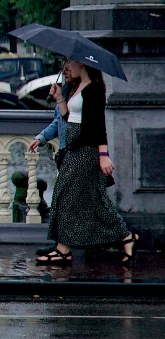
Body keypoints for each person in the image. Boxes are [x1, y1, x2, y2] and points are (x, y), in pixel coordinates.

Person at [32, 59, 137, 265]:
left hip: (85, 151)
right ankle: (65, 248)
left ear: (83, 64)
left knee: (77, 197)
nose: (67, 67)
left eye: (70, 63)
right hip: (74, 149)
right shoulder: (77, 87)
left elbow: (98, 125)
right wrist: (60, 98)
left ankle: (125, 237)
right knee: (71, 196)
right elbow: (70, 118)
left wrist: (103, 154)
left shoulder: (94, 88)